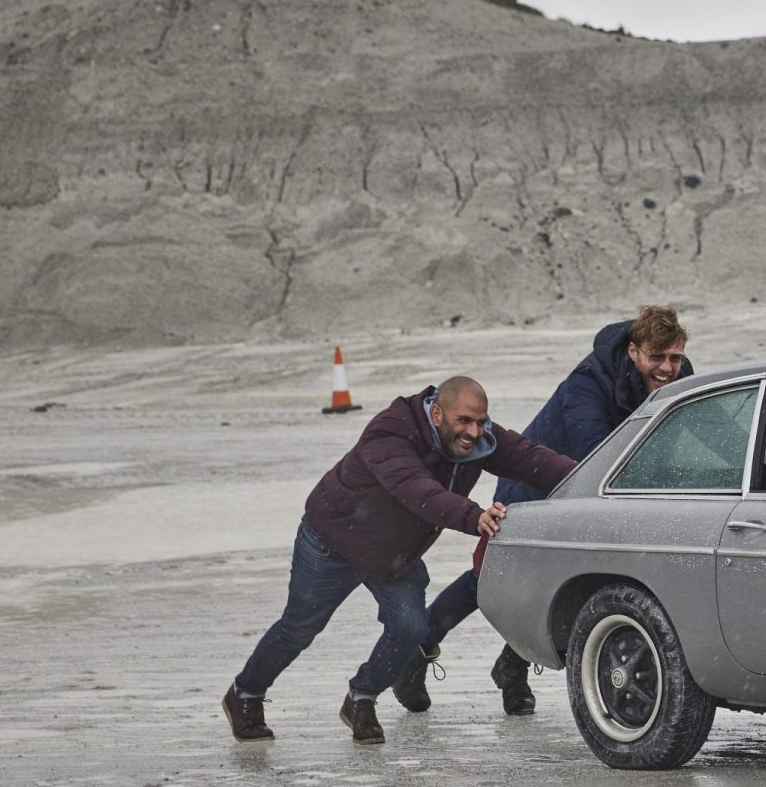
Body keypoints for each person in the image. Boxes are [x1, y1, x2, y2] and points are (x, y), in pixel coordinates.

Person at [221, 377, 576, 744]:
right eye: (465, 421)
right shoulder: (391, 432)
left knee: (409, 628)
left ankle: (361, 698)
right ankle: (245, 694)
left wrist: (589, 480)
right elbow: (417, 490)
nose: (474, 431)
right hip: (334, 541)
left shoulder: (479, 439)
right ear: (437, 413)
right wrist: (473, 516)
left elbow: (531, 458)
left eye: (481, 422)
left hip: (393, 552)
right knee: (299, 627)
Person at [398, 305, 694, 715]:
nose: (666, 368)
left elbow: (700, 426)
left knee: (562, 580)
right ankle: (415, 653)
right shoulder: (587, 384)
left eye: (674, 358)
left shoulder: (680, 376)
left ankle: (512, 667)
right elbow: (597, 452)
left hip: (599, 490)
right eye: (656, 357)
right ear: (633, 351)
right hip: (536, 483)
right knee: (488, 576)